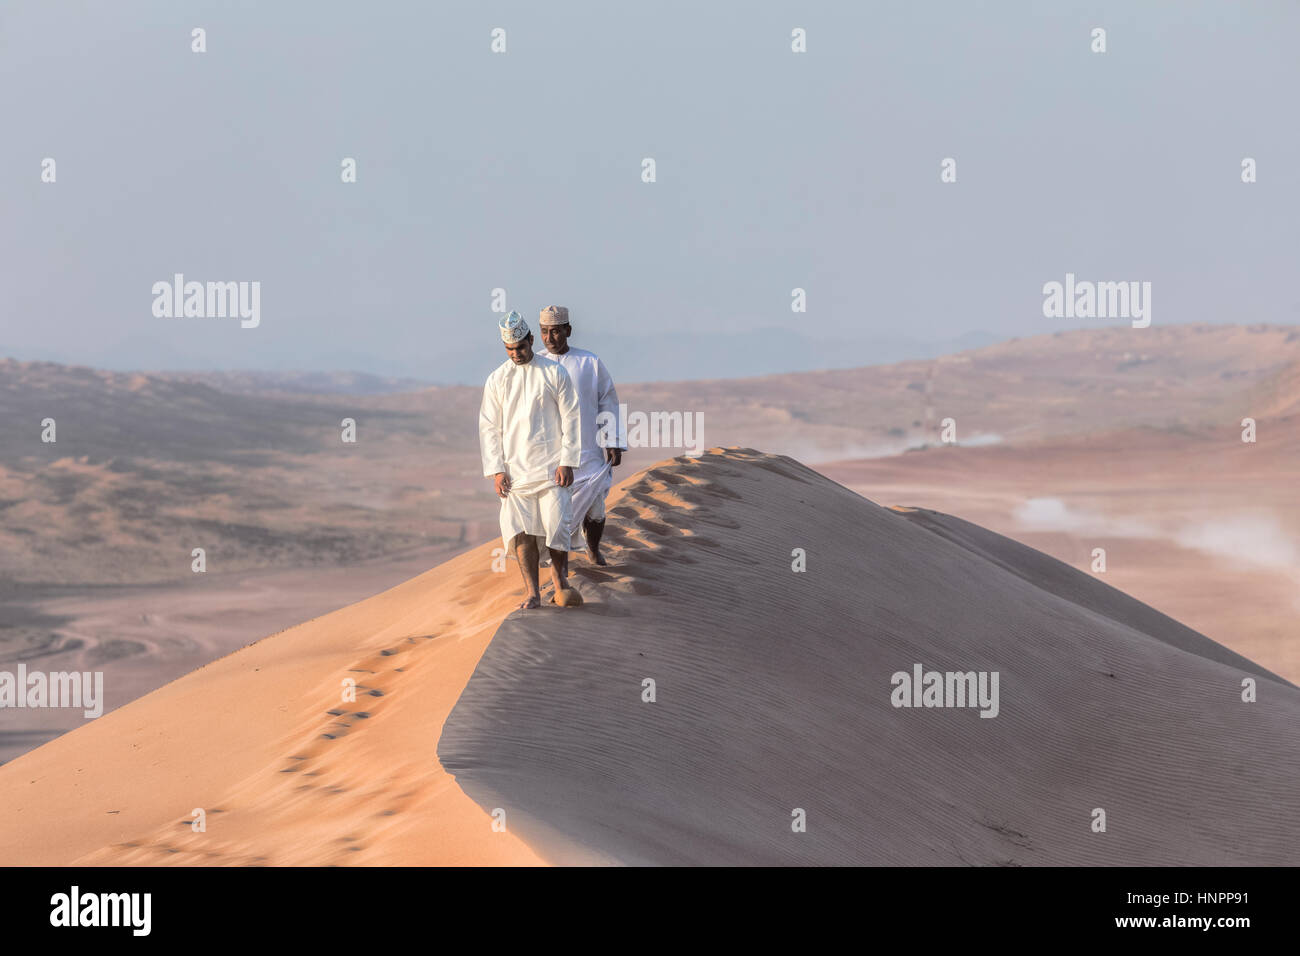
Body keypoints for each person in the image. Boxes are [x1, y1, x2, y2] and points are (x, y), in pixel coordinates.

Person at [478, 311, 583, 609]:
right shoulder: (497, 380)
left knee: (556, 525)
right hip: (516, 473)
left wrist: (568, 461)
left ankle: (561, 583)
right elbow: (488, 427)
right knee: (520, 531)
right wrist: (497, 470)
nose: (516, 354)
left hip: (552, 470)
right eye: (510, 350)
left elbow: (572, 418)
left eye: (521, 348)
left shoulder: (554, 373)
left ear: (531, 341)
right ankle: (532, 592)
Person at [536, 305, 625, 565]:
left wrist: (613, 441)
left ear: (568, 330)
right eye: (544, 332)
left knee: (596, 506)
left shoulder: (590, 362)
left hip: (588, 450)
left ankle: (593, 549)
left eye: (555, 331)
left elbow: (607, 401)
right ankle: (553, 565)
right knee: (552, 511)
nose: (550, 338)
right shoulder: (535, 366)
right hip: (550, 455)